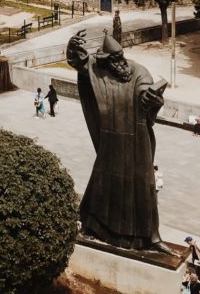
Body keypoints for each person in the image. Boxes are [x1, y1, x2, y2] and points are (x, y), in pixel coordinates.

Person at [66, 29, 166, 250]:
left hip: (137, 140)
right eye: (113, 60)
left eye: (120, 57)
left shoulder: (138, 71)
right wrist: (73, 46)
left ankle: (150, 236)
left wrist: (151, 99)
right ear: (106, 61)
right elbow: (79, 62)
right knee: (104, 182)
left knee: (144, 184)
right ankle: (95, 225)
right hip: (111, 140)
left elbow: (145, 90)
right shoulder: (99, 70)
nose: (119, 63)